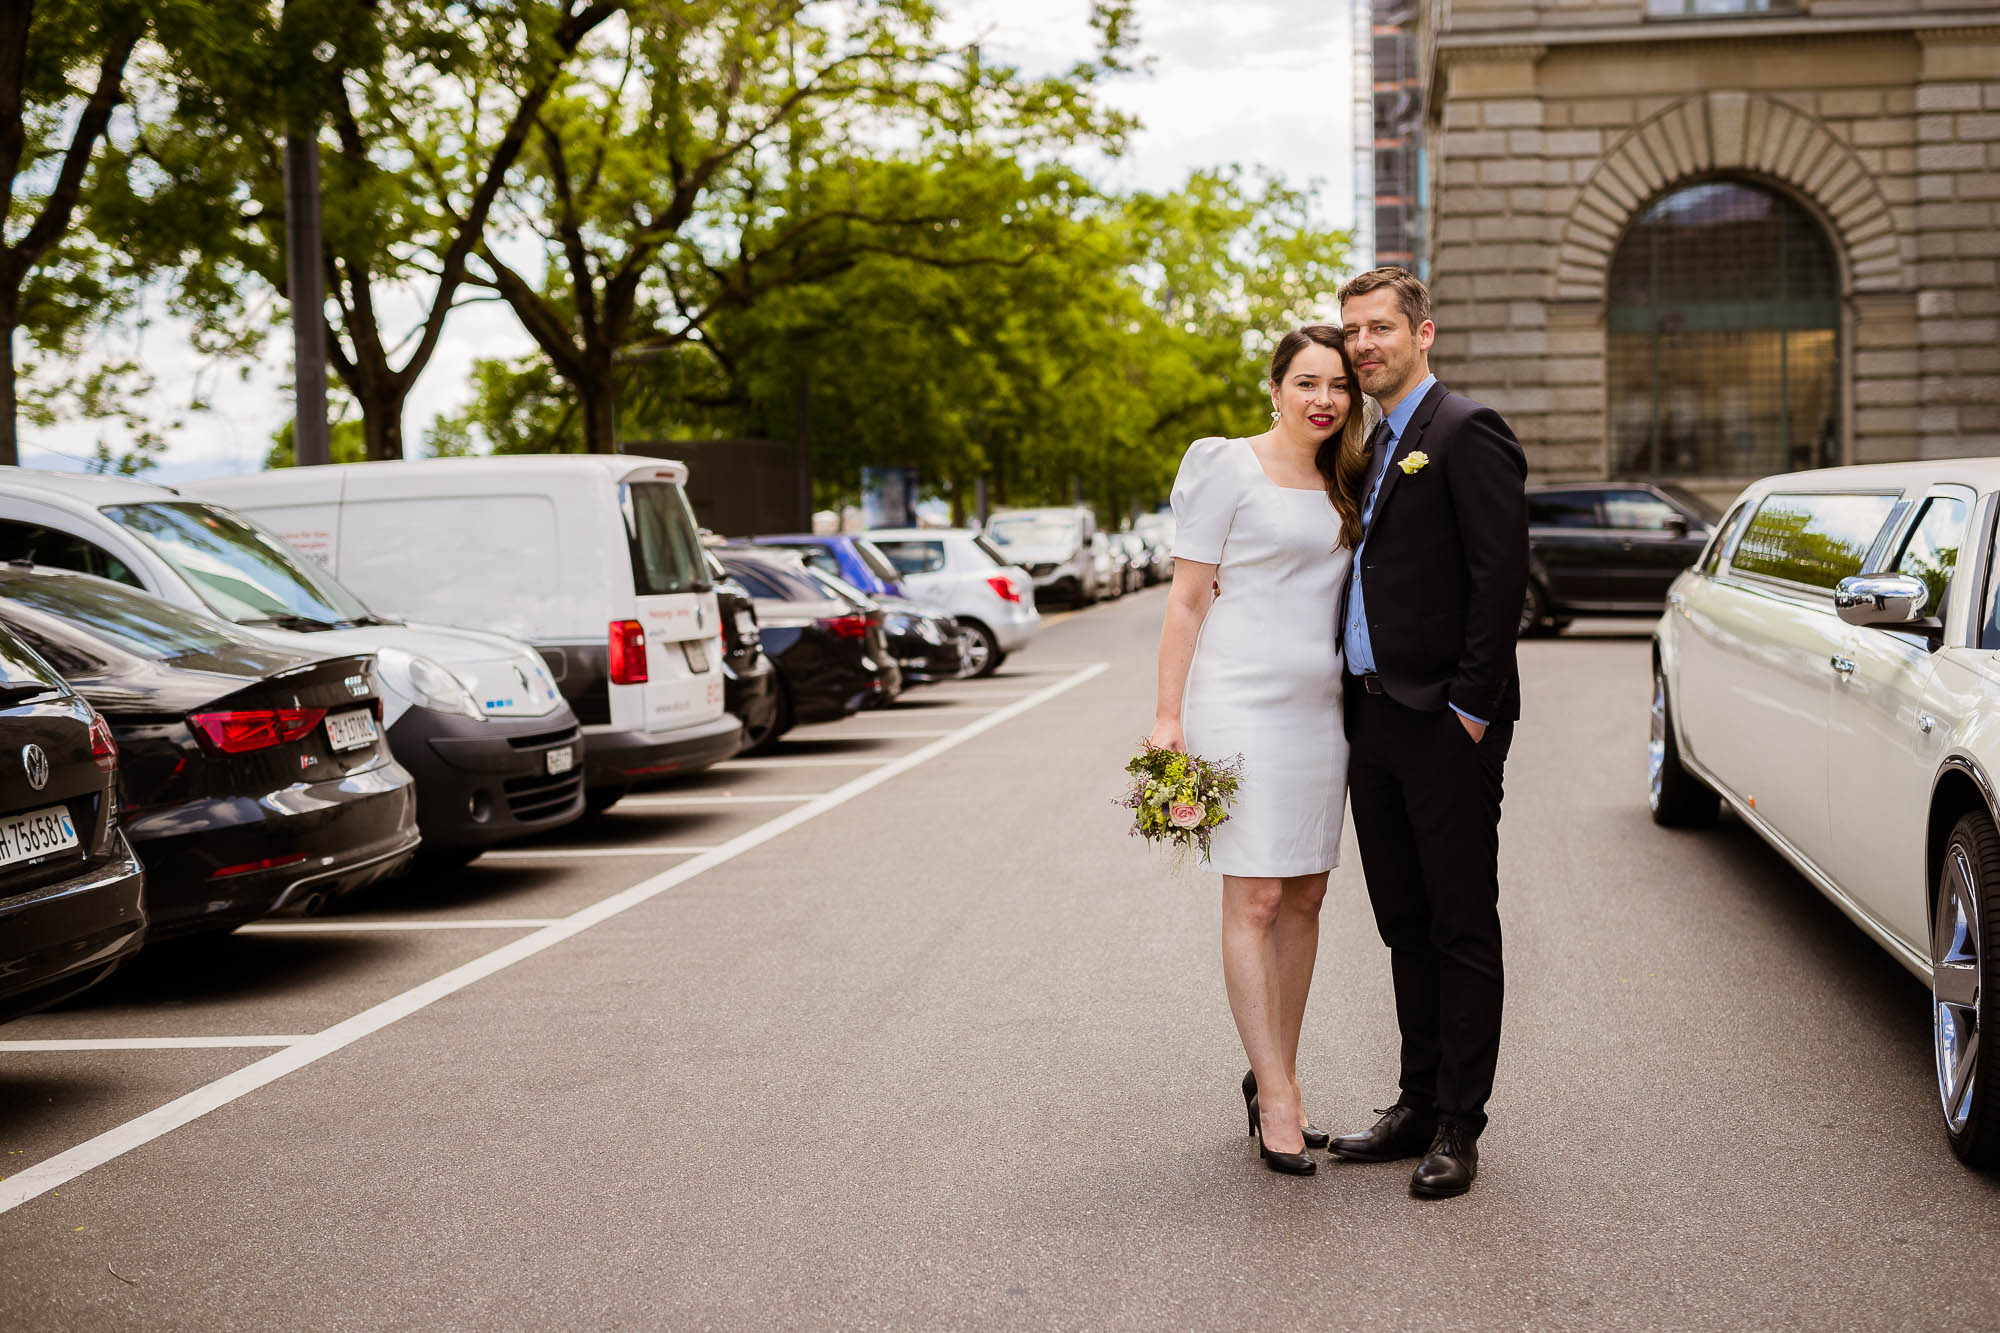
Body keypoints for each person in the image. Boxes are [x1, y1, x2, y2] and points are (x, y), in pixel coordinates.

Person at [1325, 267, 1528, 1200]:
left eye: (1379, 328)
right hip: (1371, 718)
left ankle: (1458, 1121)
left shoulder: (1465, 430)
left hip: (1446, 723)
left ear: (1423, 333)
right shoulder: (1368, 445)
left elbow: (1499, 578)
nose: (1363, 345)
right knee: (1402, 920)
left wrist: (1470, 711)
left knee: (1459, 922)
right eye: (1352, 331)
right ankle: (1413, 1100)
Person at [1149, 326, 1370, 1177]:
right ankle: (1277, 1096)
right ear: (1274, 388)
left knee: (1308, 892)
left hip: (1321, 707)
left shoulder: (1347, 477)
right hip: (1237, 701)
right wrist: (1168, 716)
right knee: (1256, 896)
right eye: (1307, 381)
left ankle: (1276, 1067)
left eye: (1339, 385)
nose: (1324, 399)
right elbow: (1186, 601)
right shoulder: (1225, 466)